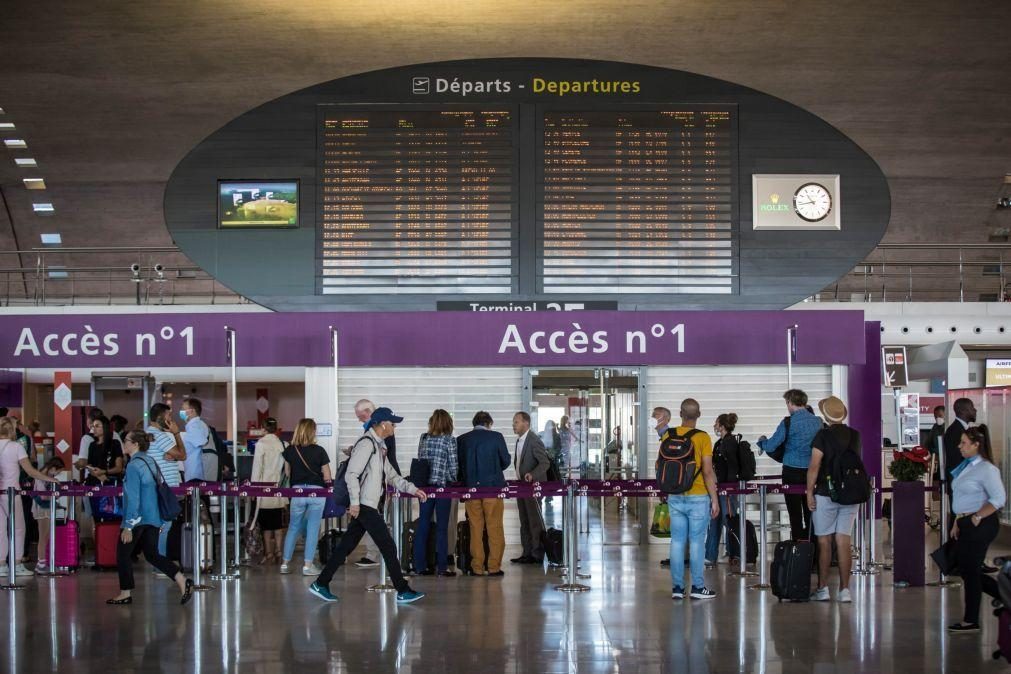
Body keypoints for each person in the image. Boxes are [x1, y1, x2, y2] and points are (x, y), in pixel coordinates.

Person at [310, 407, 428, 604]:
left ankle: (321, 583)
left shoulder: (379, 447)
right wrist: (355, 503)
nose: (394, 427)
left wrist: (413, 489)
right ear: (382, 424)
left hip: (368, 504)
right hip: (365, 505)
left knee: (346, 545)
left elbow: (391, 476)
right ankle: (402, 589)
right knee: (388, 546)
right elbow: (351, 474)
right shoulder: (367, 444)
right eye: (392, 423)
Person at [106, 430, 193, 606]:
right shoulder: (150, 461)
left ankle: (125, 592)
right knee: (152, 555)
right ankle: (181, 579)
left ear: (135, 444)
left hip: (137, 518)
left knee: (123, 555)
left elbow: (134, 497)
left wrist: (129, 526)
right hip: (153, 517)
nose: (124, 443)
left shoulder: (133, 466)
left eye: (127, 440)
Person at [655, 401, 719, 600]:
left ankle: (677, 588)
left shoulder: (669, 435)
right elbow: (708, 472)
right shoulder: (703, 437)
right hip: (698, 496)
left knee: (677, 542)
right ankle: (698, 588)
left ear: (680, 413)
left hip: (675, 495)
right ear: (698, 414)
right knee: (697, 542)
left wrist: (660, 420)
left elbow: (660, 462)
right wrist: (714, 499)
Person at [948, 425, 1007, 633]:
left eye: (964, 443)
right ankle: (1005, 595)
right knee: (967, 570)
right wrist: (957, 520)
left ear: (976, 445)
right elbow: (962, 496)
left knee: (971, 571)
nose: (959, 446)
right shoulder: (967, 466)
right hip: (966, 522)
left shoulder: (987, 469)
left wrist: (977, 516)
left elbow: (999, 498)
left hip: (981, 524)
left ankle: (971, 619)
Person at [806, 396, 860, 603]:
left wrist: (809, 492)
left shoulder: (822, 436)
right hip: (850, 494)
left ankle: (823, 588)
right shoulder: (855, 435)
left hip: (825, 493)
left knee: (824, 541)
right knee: (844, 541)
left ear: (825, 416)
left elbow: (814, 467)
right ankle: (845, 590)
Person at [757, 389, 822, 541]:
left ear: (790, 403)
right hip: (813, 471)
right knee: (810, 511)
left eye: (787, 403)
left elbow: (772, 445)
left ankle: (798, 551)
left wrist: (761, 442)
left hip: (791, 472)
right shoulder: (818, 422)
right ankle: (812, 552)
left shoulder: (788, 422)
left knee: (794, 515)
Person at [0, 416, 58, 577]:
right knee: (19, 528)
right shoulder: (16, 446)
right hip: (12, 492)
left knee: (0, 530)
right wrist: (49, 478)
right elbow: (30, 470)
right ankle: (17, 563)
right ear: (12, 430)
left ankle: (1, 565)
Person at [457, 411, 511, 576]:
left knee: (475, 528)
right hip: (493, 489)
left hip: (471, 490)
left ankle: (477, 567)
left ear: (474, 423)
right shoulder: (496, 437)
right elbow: (506, 460)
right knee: (494, 527)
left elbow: (458, 464)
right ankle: (494, 567)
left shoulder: (462, 439)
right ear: (489, 423)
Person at [344, 398, 392, 569]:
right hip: (369, 491)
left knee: (371, 527)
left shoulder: (380, 432)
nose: (358, 419)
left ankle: (372, 555)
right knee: (361, 528)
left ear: (369, 413)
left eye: (360, 416)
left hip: (374, 489)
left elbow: (384, 460)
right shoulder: (371, 435)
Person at [280, 418, 331, 576]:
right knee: (313, 528)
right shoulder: (320, 450)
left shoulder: (290, 450)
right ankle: (308, 566)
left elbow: (287, 473)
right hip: (317, 493)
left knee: (293, 527)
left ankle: (285, 563)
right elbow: (327, 475)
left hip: (297, 493)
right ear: (313, 431)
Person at [412, 409, 459, 576]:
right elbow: (453, 467)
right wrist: (453, 479)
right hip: (442, 487)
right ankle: (441, 567)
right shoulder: (449, 441)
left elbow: (420, 459)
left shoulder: (423, 438)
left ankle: (420, 566)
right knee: (442, 527)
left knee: (423, 524)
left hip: (424, 487)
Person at [510, 411, 550, 565]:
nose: (514, 425)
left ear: (526, 423)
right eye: (514, 422)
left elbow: (544, 463)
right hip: (522, 487)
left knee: (534, 521)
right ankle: (527, 552)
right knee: (524, 520)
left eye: (516, 422)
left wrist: (532, 475)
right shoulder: (519, 440)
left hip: (533, 488)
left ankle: (537, 553)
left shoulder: (533, 440)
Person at [146, 403, 186, 556]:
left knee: (161, 526)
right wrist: (176, 433)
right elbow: (182, 455)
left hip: (159, 487)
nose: (171, 419)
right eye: (169, 416)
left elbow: (175, 456)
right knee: (165, 526)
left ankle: (158, 560)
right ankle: (160, 562)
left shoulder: (149, 434)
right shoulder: (159, 436)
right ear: (159, 417)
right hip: (164, 489)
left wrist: (173, 457)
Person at [251, 417, 288, 564]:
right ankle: (279, 551)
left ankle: (269, 554)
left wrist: (254, 489)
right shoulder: (283, 444)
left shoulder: (261, 443)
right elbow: (287, 470)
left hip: (263, 488)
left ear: (263, 428)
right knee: (278, 524)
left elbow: (257, 468)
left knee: (266, 526)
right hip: (279, 488)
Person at [707, 413, 740, 568]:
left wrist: (728, 486)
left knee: (729, 521)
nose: (715, 426)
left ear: (722, 425)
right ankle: (710, 555)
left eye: (716, 423)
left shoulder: (731, 442)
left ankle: (735, 553)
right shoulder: (719, 443)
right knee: (715, 520)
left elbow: (732, 467)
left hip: (728, 488)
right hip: (718, 487)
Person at [32, 457, 67, 574]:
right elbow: (43, 496)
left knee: (46, 537)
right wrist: (55, 492)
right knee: (43, 537)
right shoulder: (41, 477)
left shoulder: (46, 477)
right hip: (42, 509)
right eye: (58, 471)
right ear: (52, 468)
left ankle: (43, 562)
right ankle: (41, 564)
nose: (58, 474)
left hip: (46, 509)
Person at [178, 398, 208, 483]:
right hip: (196, 472)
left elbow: (202, 443)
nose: (181, 412)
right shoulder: (199, 424)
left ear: (192, 411)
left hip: (195, 473)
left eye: (184, 409)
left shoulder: (194, 427)